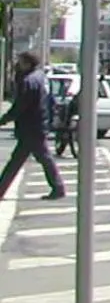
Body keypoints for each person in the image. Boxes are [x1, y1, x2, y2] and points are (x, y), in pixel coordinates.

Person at [0, 52, 67, 200]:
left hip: (30, 127)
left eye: (20, 62)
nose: (17, 65)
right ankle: (58, 188)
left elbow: (20, 106)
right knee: (42, 158)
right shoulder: (40, 77)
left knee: (18, 161)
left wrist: (4, 119)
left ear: (28, 63)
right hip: (38, 124)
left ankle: (58, 188)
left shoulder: (29, 81)